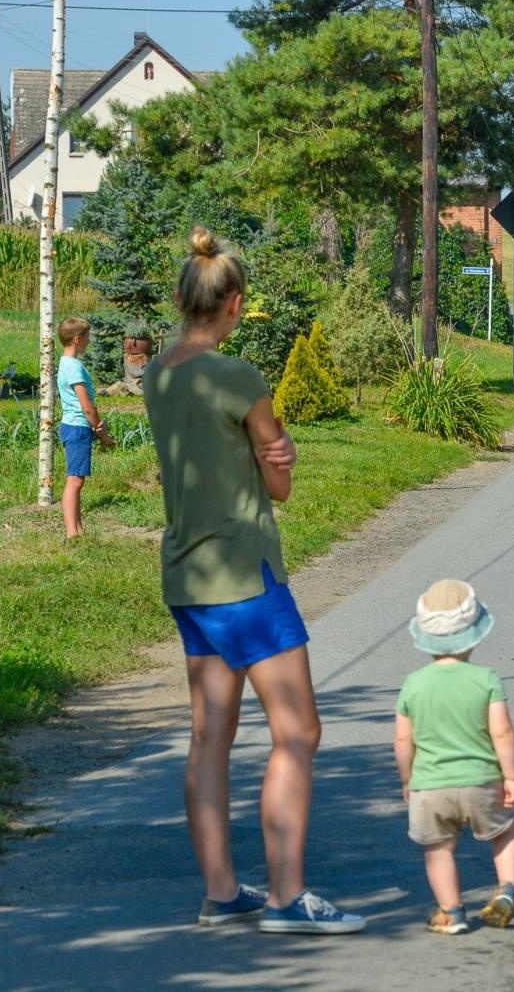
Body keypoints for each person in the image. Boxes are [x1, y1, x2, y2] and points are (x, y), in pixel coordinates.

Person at [143, 227, 365, 934]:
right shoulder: (238, 376)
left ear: (183, 297)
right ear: (233, 304)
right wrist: (285, 457)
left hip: (187, 573)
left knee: (211, 735)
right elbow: (279, 484)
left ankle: (221, 891)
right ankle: (288, 897)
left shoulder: (158, 375)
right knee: (298, 731)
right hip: (246, 575)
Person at [394, 578, 514, 935]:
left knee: (438, 850)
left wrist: (407, 780)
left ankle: (452, 913)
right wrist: (510, 776)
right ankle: (507, 890)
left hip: (430, 785)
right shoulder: (486, 679)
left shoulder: (413, 684)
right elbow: (502, 732)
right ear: (474, 633)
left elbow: (403, 738)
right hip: (482, 780)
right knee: (505, 832)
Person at [57, 317, 116, 540]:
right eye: (88, 337)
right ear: (78, 339)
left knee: (77, 480)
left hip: (73, 426)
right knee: (74, 481)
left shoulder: (66, 363)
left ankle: (78, 530)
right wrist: (100, 431)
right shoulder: (73, 367)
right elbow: (87, 406)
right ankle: (72, 533)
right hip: (78, 428)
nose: (90, 342)